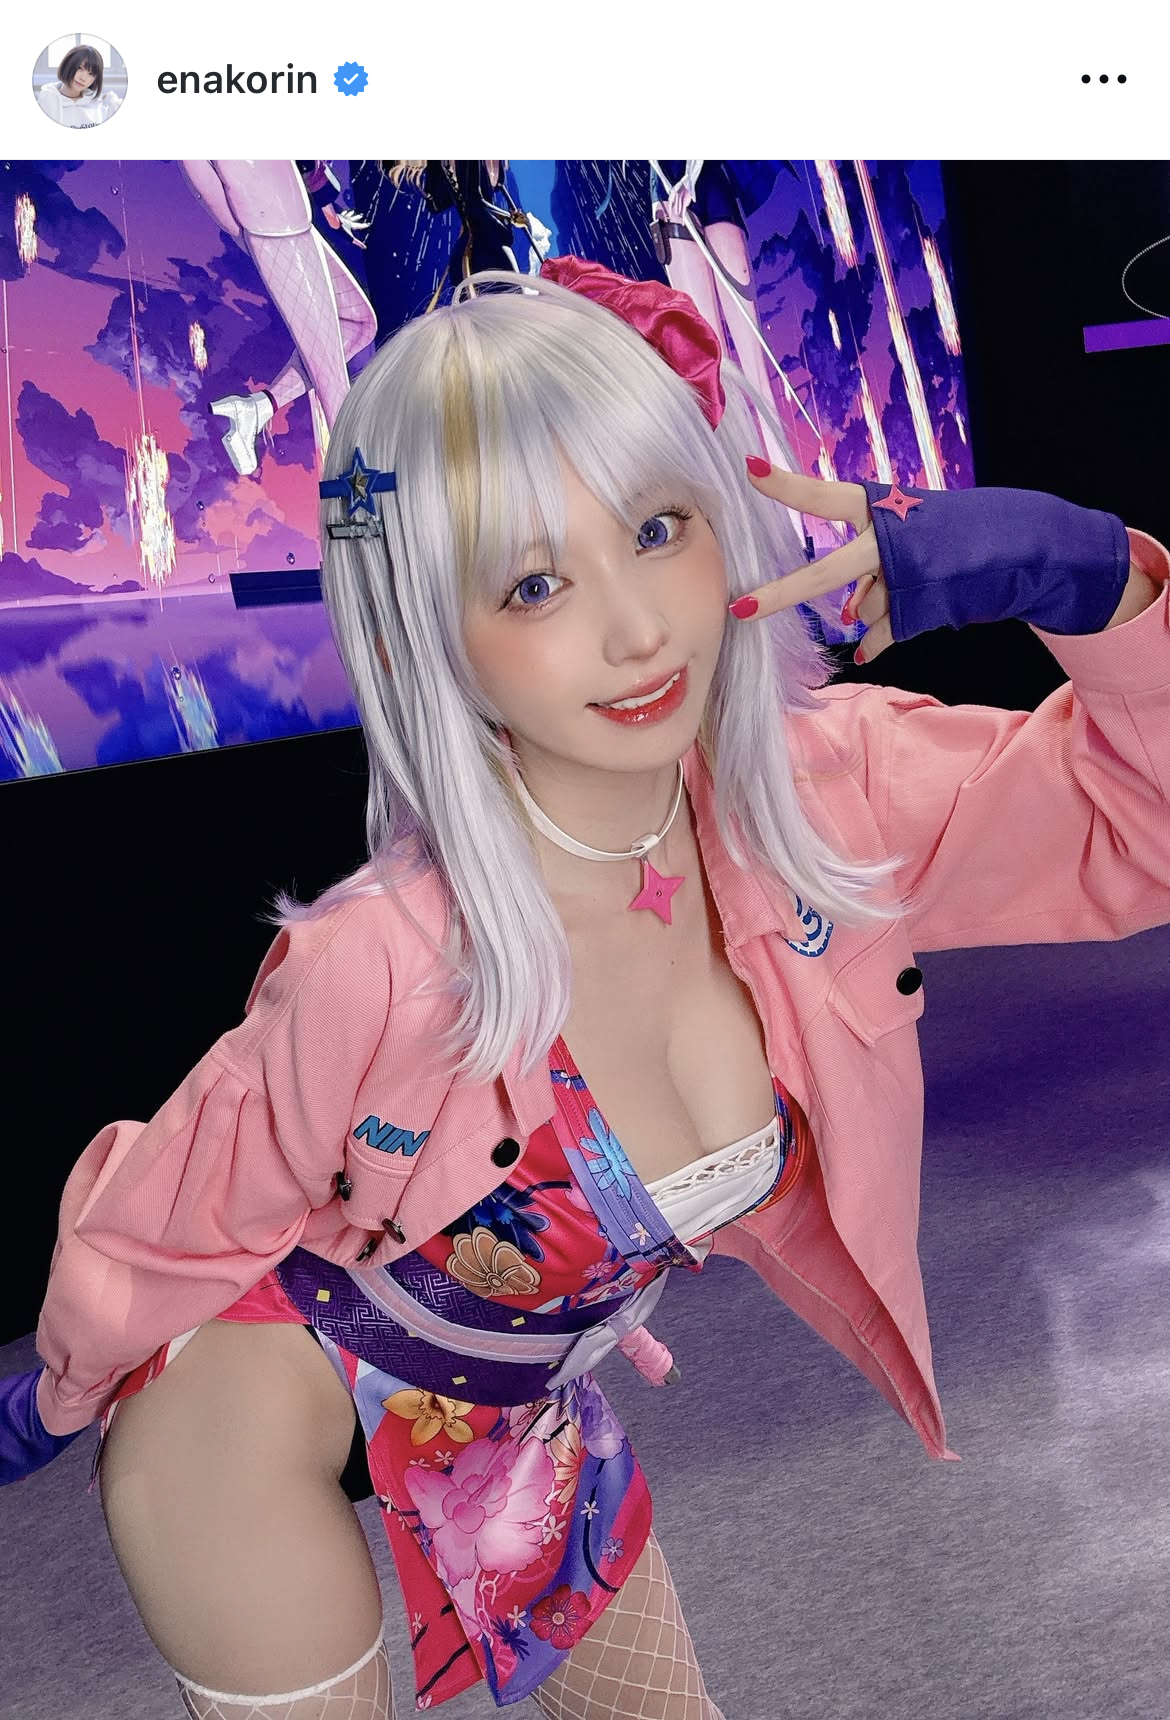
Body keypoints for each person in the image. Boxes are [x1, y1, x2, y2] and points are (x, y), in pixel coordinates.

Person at [4, 256, 1169, 1720]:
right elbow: (168, 1215)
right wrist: (50, 1398)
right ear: (425, 635)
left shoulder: (831, 796)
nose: (638, 630)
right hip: (245, 1411)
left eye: (658, 529)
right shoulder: (381, 958)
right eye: (536, 582)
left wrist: (1098, 586)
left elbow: (1140, 828)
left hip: (510, 1414)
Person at [35, 44, 122, 128]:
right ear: (67, 65)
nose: (83, 78)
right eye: (80, 68)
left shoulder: (98, 103)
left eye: (91, 74)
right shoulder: (48, 100)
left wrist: (112, 102)